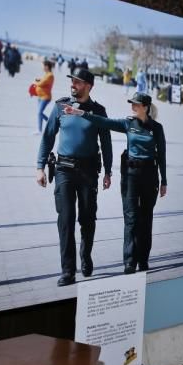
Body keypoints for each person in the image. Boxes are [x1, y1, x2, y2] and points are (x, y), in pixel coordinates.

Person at [72, 92, 167, 274]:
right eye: (132, 103)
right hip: (131, 175)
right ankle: (129, 261)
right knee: (131, 218)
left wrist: (164, 181)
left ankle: (143, 259)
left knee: (146, 219)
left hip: (150, 176)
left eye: (136, 104)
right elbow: (104, 122)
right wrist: (82, 114)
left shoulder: (157, 128)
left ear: (145, 107)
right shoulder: (128, 123)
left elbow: (162, 155)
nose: (133, 106)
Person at [35, 67, 113, 286]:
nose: (73, 85)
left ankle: (85, 255)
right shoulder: (60, 106)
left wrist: (108, 171)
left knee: (87, 218)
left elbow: (106, 143)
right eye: (72, 81)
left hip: (89, 172)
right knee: (66, 219)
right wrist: (40, 166)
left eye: (78, 82)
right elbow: (48, 136)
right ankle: (67, 270)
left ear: (88, 86)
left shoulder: (98, 111)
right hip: (64, 170)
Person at [32, 59, 54, 134]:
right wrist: (38, 80)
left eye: (44, 66)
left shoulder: (50, 75)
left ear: (47, 67)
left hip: (46, 97)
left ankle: (50, 123)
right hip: (40, 96)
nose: (43, 67)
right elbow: (42, 81)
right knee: (39, 113)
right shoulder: (46, 74)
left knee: (39, 112)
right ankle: (40, 130)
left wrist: (35, 82)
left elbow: (42, 83)